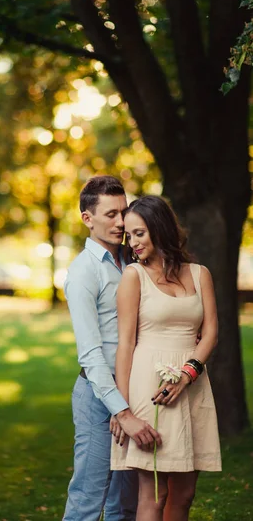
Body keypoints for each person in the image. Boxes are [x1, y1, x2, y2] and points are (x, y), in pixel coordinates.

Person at [111, 195, 221, 521]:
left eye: (139, 233)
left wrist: (188, 374)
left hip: (193, 386)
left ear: (159, 229)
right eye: (129, 236)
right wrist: (122, 408)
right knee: (154, 493)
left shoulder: (200, 274)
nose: (133, 243)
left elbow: (212, 331)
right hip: (150, 389)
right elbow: (125, 344)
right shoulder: (133, 276)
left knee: (185, 493)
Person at [63, 176, 162, 521]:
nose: (121, 222)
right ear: (87, 219)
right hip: (98, 397)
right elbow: (90, 355)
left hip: (137, 390)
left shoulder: (135, 262)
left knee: (126, 507)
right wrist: (121, 413)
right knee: (88, 501)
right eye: (110, 214)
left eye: (124, 212)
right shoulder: (83, 273)